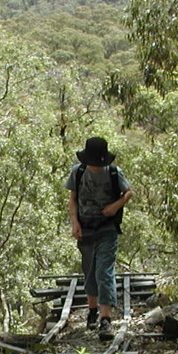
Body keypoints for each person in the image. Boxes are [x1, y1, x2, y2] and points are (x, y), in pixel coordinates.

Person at [65, 136, 133, 340]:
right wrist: (75, 222)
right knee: (90, 270)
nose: (95, 166)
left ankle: (106, 319)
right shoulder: (78, 172)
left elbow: (128, 192)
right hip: (85, 229)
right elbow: (73, 200)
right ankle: (92, 310)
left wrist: (115, 206)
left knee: (104, 270)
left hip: (107, 229)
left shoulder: (114, 173)